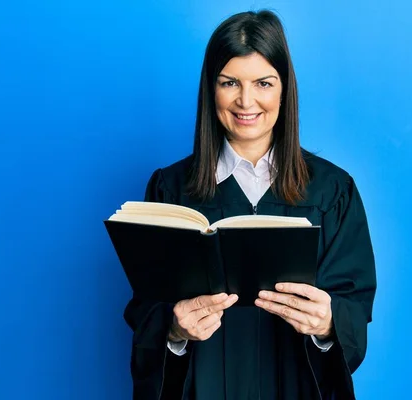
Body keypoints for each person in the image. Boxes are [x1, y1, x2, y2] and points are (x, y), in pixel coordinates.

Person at [123, 9, 376, 400]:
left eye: (263, 82)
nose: (246, 101)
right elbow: (145, 309)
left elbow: (354, 308)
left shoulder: (332, 190)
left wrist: (328, 324)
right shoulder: (171, 189)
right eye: (229, 83)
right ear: (211, 89)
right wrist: (174, 331)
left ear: (284, 89)